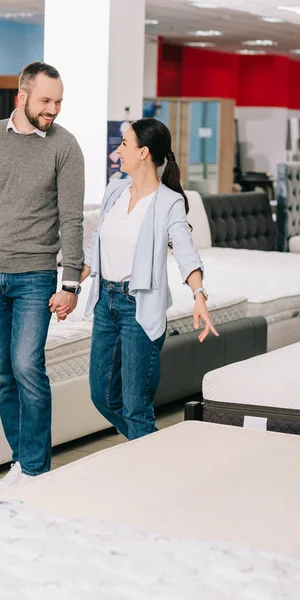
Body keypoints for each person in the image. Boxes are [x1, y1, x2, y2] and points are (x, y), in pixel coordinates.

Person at [0, 62, 84, 491]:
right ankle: (21, 464)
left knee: (27, 366)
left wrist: (70, 283)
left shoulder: (66, 146)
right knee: (3, 373)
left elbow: (72, 220)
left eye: (59, 101)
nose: (53, 109)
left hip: (36, 276)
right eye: (46, 100)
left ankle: (36, 471)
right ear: (21, 97)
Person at [51, 118, 218, 441]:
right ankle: (155, 448)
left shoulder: (168, 202)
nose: (118, 151)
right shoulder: (114, 190)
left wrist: (199, 295)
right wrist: (70, 288)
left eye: (124, 144)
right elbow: (95, 248)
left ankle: (150, 469)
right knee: (102, 396)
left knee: (135, 407)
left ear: (143, 153)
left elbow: (185, 251)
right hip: (105, 303)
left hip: (138, 308)